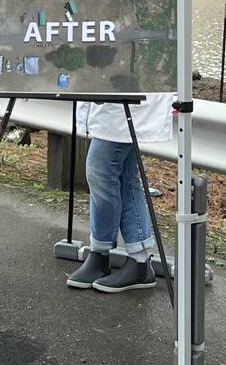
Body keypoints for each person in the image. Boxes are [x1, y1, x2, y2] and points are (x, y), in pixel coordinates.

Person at [67, 97, 172, 293]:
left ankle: (103, 251)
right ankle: (137, 262)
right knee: (125, 178)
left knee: (100, 171)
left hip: (126, 99)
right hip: (115, 103)